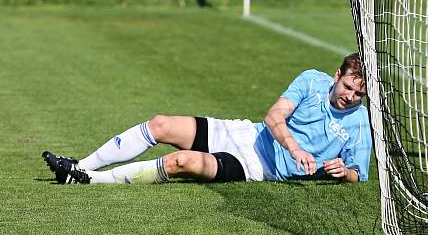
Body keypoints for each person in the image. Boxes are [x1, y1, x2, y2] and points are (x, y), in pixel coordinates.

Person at [42, 53, 372, 185]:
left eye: (358, 95)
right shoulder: (311, 80)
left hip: (254, 168)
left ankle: (88, 180)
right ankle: (81, 164)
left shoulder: (359, 124)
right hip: (246, 134)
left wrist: (343, 173)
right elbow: (274, 117)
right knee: (161, 124)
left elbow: (358, 174)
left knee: (179, 161)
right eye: (347, 87)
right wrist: (295, 148)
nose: (350, 97)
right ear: (336, 74)